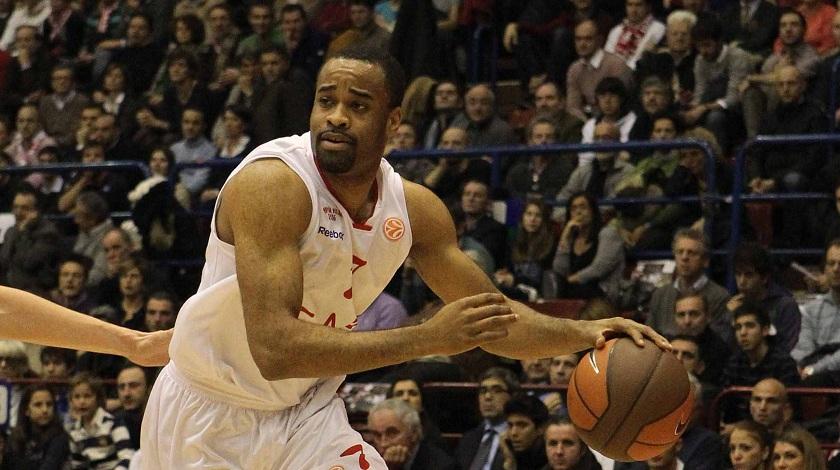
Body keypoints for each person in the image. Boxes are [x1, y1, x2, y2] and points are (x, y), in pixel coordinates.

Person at [553, 192, 625, 303]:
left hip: (601, 295)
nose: (578, 212)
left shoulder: (608, 234)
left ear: (593, 211)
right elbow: (560, 270)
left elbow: (600, 268)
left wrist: (573, 279)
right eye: (573, 209)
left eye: (583, 207)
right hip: (574, 292)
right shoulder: (572, 238)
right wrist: (565, 236)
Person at [456, 367, 521, 470]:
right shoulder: (468, 438)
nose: (487, 396)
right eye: (483, 391)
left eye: (497, 391)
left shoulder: (519, 439)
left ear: (513, 396)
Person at [367, 397, 458, 470]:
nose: (383, 443)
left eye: (392, 434)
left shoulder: (443, 466)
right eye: (377, 435)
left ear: (413, 433)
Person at [66, 372, 135, 468]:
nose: (82, 401)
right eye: (77, 397)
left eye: (87, 396)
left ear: (98, 398)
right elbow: (77, 464)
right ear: (71, 401)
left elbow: (127, 457)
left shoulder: (114, 423)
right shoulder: (74, 431)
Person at [5, 385, 69, 468]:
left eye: (49, 404)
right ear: (26, 410)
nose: (45, 410)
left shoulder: (60, 437)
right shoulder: (15, 437)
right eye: (38, 405)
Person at [498, 395, 550, 470]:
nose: (513, 433)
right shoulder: (509, 453)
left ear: (540, 428)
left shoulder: (552, 457)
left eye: (522, 425)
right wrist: (509, 462)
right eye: (510, 425)